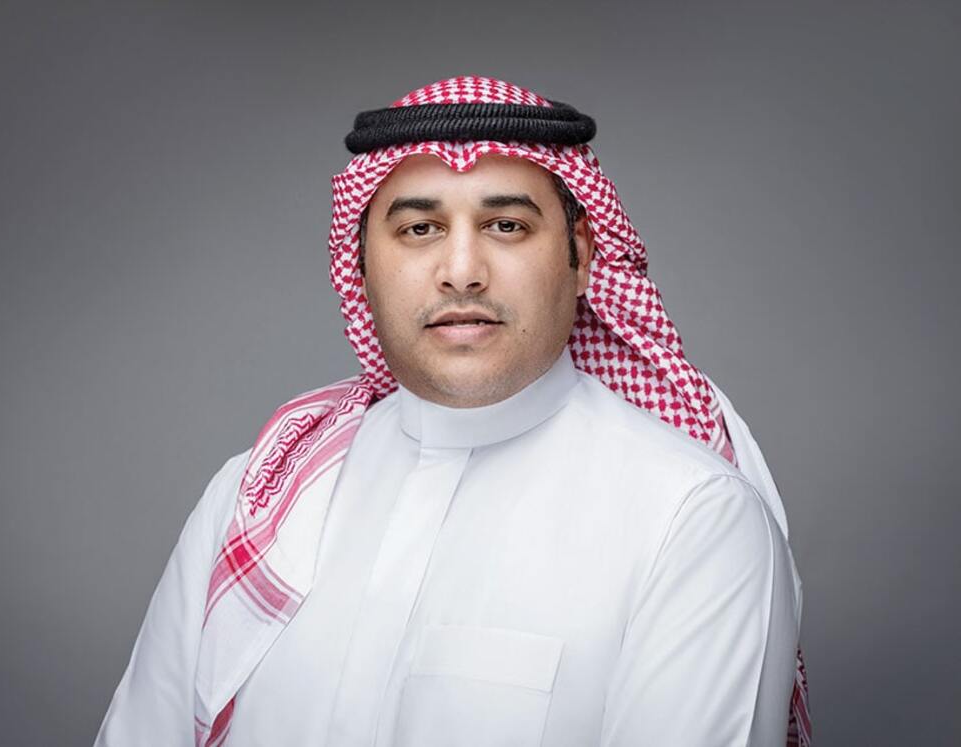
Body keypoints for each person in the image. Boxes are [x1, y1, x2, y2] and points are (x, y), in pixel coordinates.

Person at [96, 76, 810, 746]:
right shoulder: (256, 493)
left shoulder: (692, 519)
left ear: (582, 256)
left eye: (506, 225)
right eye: (419, 230)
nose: (462, 271)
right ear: (361, 263)